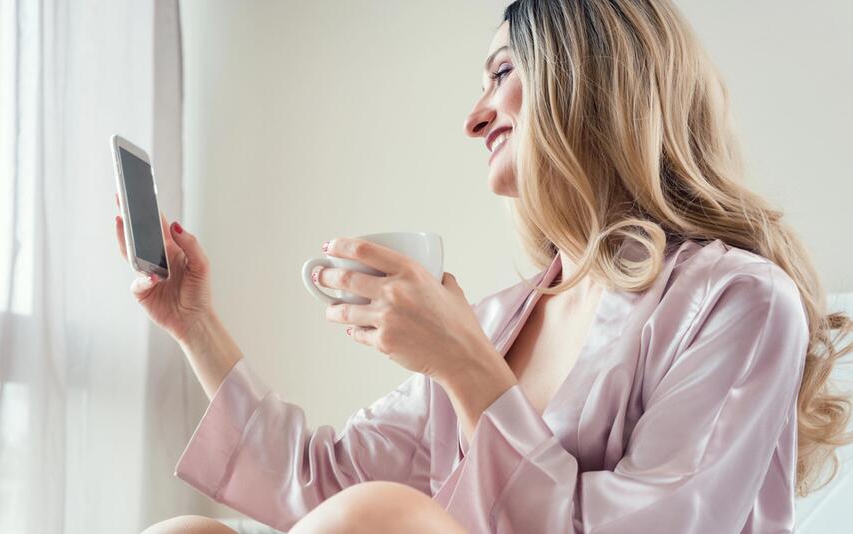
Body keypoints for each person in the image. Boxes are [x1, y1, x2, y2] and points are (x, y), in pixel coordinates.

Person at [129, 1, 853, 533]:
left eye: (502, 72)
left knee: (387, 516)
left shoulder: (738, 300)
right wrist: (195, 325)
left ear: (590, 82)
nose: (473, 118)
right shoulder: (497, 320)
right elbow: (319, 484)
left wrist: (470, 370)